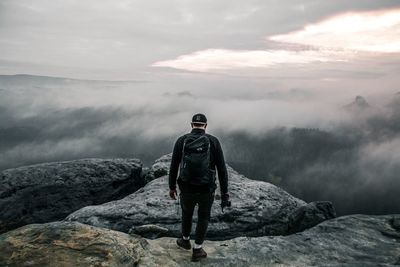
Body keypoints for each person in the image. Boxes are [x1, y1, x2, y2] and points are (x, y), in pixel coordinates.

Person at [169, 113, 230, 262]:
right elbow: (221, 169)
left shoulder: (182, 141)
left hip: (186, 188)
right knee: (203, 217)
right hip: (206, 188)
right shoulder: (213, 141)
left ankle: (185, 240)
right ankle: (197, 249)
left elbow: (174, 166)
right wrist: (224, 192)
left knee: (187, 214)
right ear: (206, 126)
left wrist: (172, 187)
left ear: (191, 125)